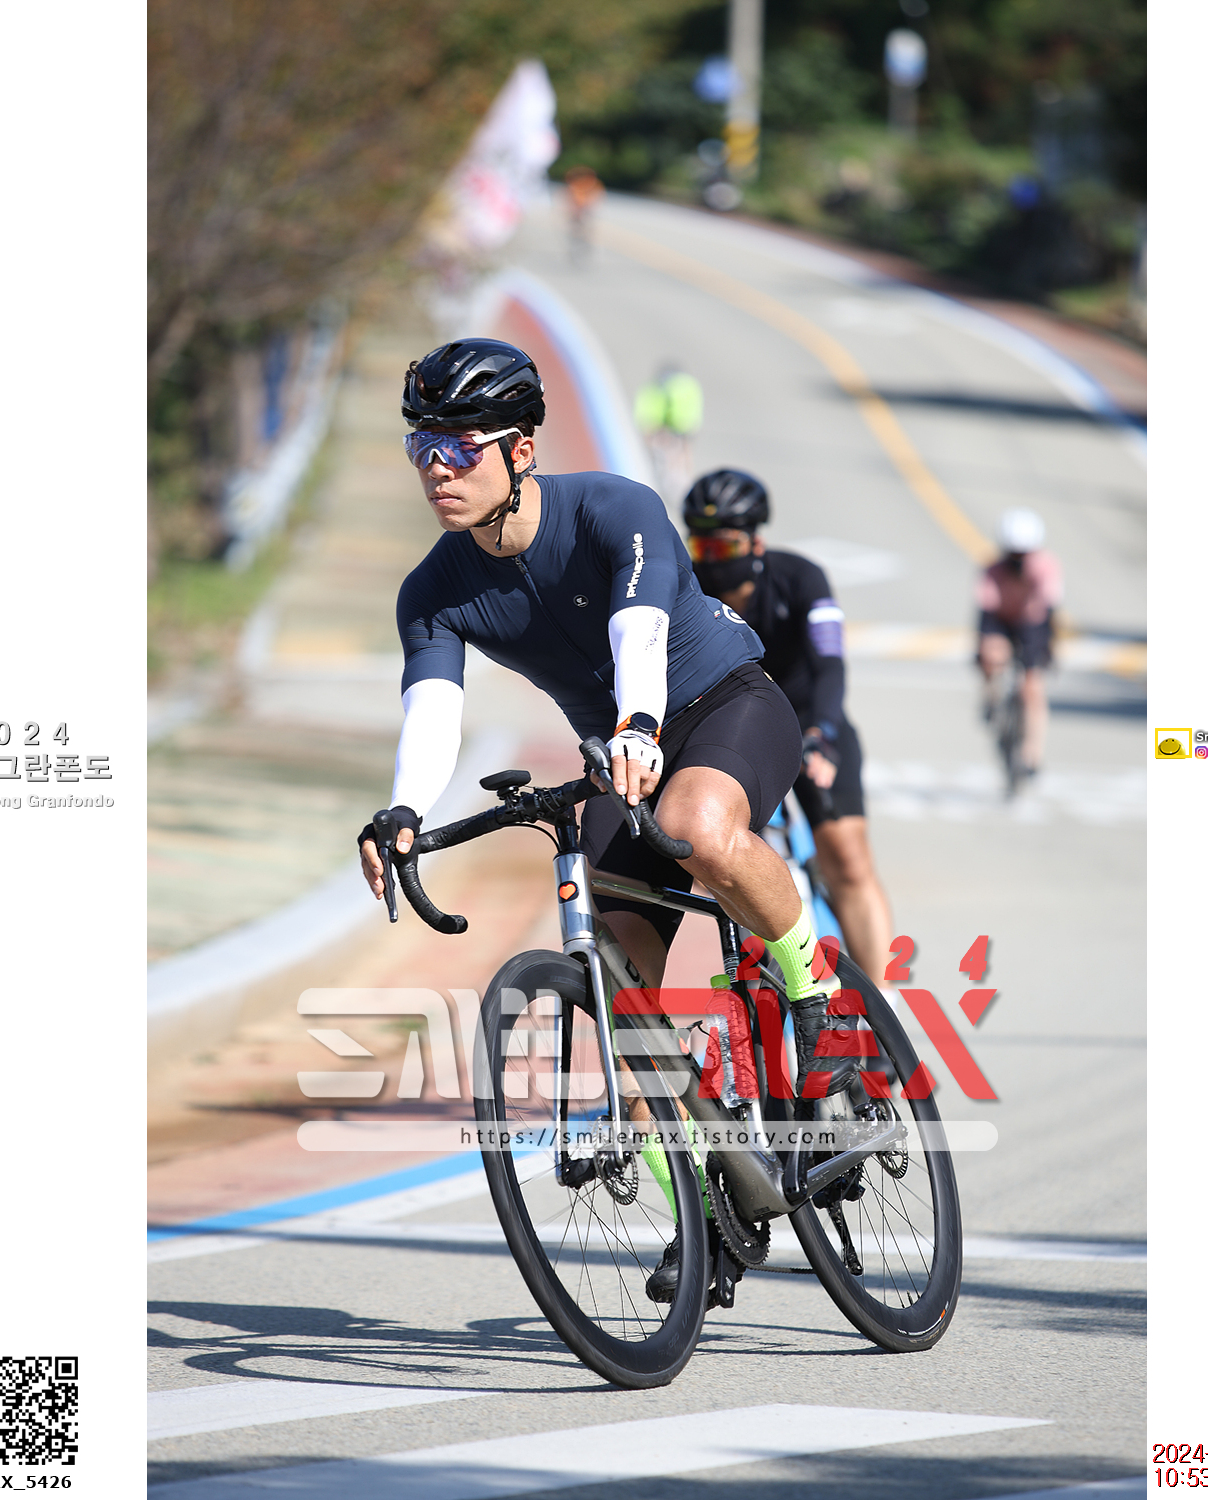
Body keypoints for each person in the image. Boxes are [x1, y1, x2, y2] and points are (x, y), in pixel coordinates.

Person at [356, 338, 855, 1302]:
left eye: (459, 448)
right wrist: (406, 809)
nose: (436, 470)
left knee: (699, 824)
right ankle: (706, 1215)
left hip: (719, 704)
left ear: (521, 451)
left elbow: (639, 629)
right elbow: (434, 708)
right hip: (617, 761)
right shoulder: (433, 590)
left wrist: (637, 724)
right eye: (422, 448)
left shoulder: (612, 508)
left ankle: (817, 997)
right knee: (621, 1000)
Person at [682, 470, 895, 983]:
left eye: (726, 545)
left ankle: (883, 1002)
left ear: (756, 542)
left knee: (847, 860)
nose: (713, 558)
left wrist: (822, 734)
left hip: (810, 722)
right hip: (735, 730)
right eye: (702, 546)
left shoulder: (802, 578)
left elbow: (830, 666)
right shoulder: (687, 588)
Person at [975, 508, 1063, 780]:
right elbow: (985, 613)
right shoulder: (993, 570)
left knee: (1032, 688)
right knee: (992, 654)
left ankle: (1031, 754)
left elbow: (1048, 611)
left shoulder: (1046, 568)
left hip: (1033, 624)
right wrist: (986, 650)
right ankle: (991, 698)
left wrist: (1047, 650)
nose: (1018, 560)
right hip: (1001, 620)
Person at [633, 363, 703, 502]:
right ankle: (686, 482)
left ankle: (672, 486)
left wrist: (659, 426)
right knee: (685, 453)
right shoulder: (690, 384)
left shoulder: (662, 386)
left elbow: (664, 406)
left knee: (669, 456)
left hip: (674, 425)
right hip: (689, 423)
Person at [561, 164, 604, 265]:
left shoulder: (593, 185)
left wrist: (588, 209)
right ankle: (576, 247)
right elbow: (570, 199)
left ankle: (586, 247)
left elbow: (596, 198)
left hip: (586, 211)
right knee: (576, 231)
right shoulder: (574, 185)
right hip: (577, 212)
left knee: (587, 231)